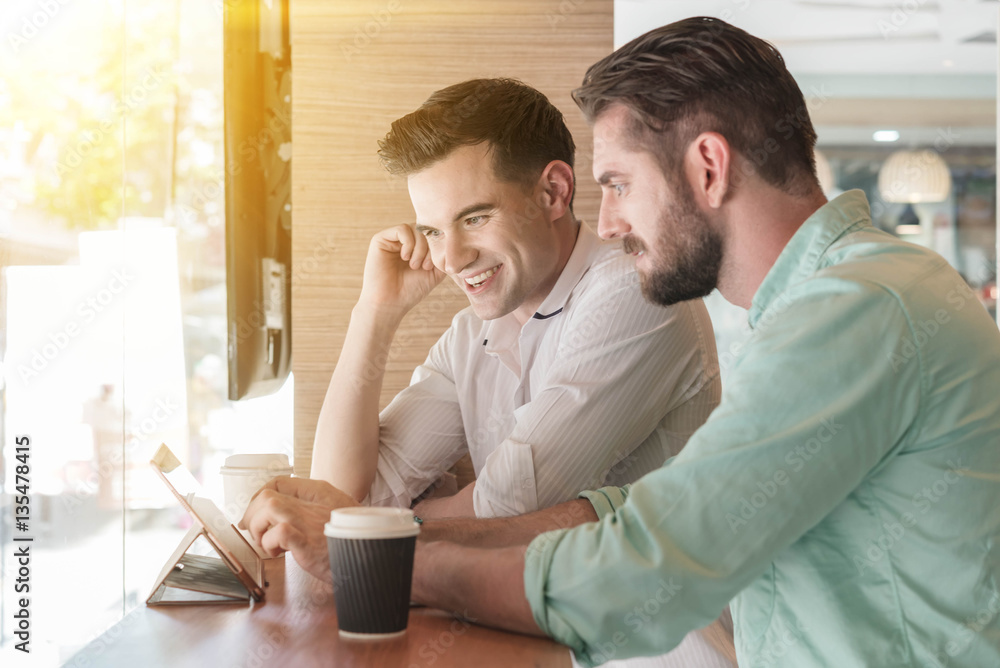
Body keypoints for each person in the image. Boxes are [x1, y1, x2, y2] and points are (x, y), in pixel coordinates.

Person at [243, 17, 1000, 667]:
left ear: (707, 166)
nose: (605, 223)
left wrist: (390, 563)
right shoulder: (830, 303)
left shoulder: (857, 309)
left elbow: (645, 567)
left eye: (620, 184)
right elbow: (631, 512)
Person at [309, 78, 720, 521]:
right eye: (432, 231)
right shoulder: (470, 337)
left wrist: (402, 517)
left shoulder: (636, 291)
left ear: (554, 193)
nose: (451, 259)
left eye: (476, 217)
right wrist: (374, 312)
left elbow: (511, 504)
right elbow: (343, 500)